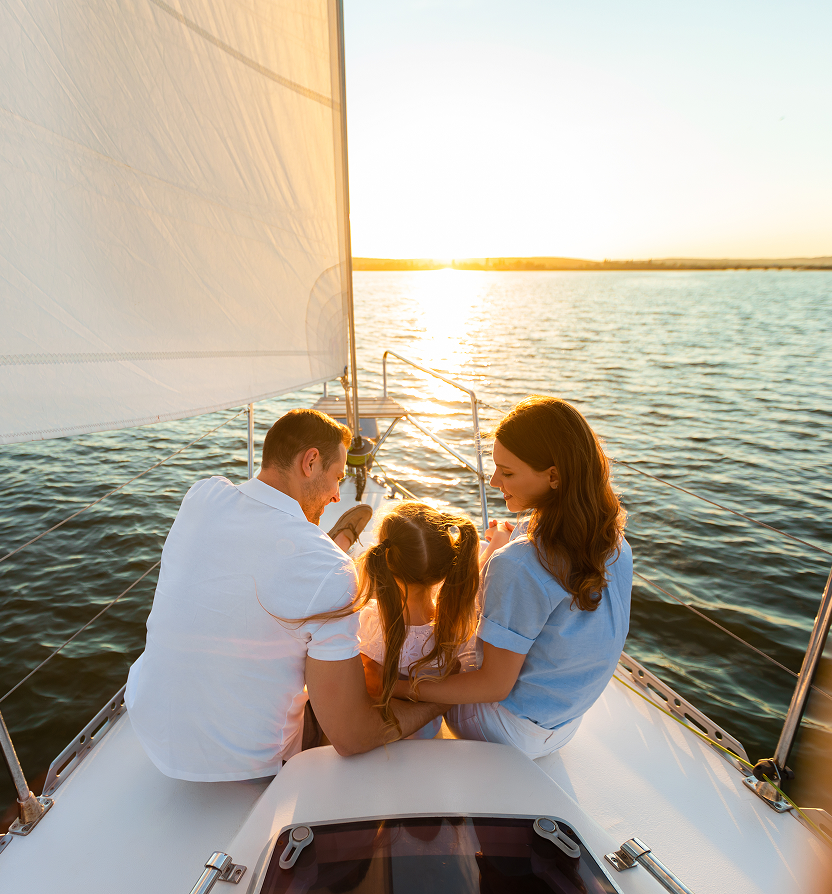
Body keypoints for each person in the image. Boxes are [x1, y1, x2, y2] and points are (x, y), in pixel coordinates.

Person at [125, 408, 446, 782]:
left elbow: (253, 548)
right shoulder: (331, 573)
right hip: (249, 763)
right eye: (337, 478)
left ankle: (337, 542)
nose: (336, 495)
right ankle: (338, 545)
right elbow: (351, 736)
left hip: (148, 724)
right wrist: (437, 701)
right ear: (310, 461)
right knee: (351, 681)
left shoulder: (203, 495)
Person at [393, 396, 632, 760]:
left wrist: (404, 688)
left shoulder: (519, 565)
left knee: (424, 626)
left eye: (507, 473)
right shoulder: (612, 539)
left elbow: (492, 686)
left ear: (553, 476)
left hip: (504, 731)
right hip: (562, 724)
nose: (492, 481)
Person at [355, 502, 480, 739]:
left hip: (389, 734)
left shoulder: (372, 621)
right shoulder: (456, 623)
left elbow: (372, 686)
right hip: (427, 732)